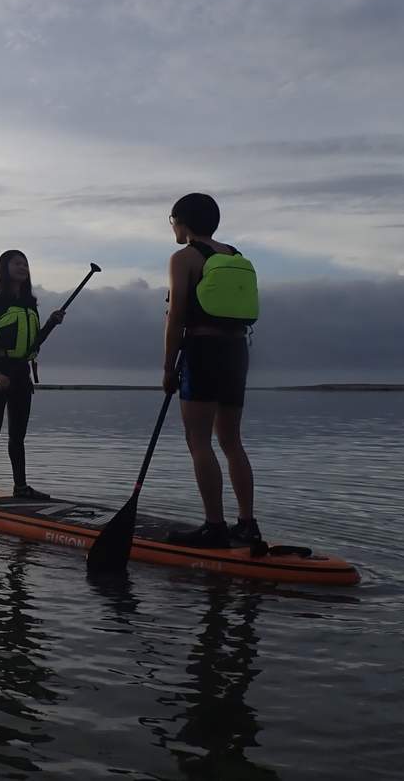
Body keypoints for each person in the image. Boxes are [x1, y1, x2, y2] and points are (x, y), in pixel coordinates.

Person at [162, 194, 261, 548]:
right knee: (232, 441)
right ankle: (247, 523)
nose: (172, 226)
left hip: (203, 350)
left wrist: (168, 367)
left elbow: (176, 317)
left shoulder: (184, 258)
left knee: (198, 440)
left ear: (183, 222)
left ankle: (214, 526)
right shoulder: (235, 256)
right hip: (237, 351)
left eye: (172, 220)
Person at [0, 250, 65, 507]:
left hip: (21, 375)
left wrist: (50, 324)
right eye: (16, 263)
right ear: (4, 268)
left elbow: (33, 344)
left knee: (17, 435)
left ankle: (21, 487)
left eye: (25, 263)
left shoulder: (29, 303)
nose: (22, 267)